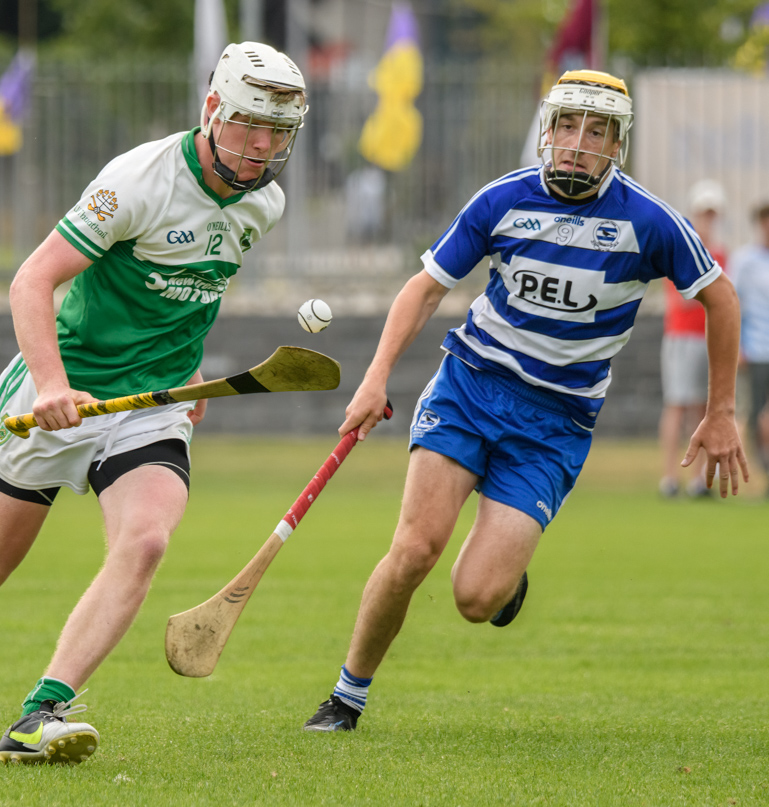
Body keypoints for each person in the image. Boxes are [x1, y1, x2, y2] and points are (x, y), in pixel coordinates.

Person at [0, 41, 308, 764]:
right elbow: (32, 280)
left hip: (151, 406)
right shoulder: (138, 180)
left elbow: (192, 293)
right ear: (212, 110)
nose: (261, 147)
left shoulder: (262, 203)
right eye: (248, 126)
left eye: (277, 133)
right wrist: (53, 385)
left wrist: (188, 378)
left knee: (145, 539)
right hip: (63, 384)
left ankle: (41, 711)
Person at [302, 70, 748, 733]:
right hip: (469, 389)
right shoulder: (501, 200)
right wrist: (375, 378)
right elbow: (424, 287)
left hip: (554, 424)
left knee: (475, 598)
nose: (576, 143)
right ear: (547, 130)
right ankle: (346, 696)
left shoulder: (649, 222)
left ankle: (506, 578)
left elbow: (719, 299)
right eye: (566, 125)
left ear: (616, 145)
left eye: (595, 131)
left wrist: (719, 412)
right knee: (415, 549)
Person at [657, 180, 729, 498]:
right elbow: (681, 299)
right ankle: (670, 477)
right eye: (703, 213)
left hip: (707, 338)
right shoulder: (681, 248)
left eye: (712, 214)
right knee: (676, 405)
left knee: (702, 409)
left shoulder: (720, 254)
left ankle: (700, 479)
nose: (707, 219)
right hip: (681, 336)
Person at [729, 202, 769, 491]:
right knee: (755, 416)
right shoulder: (744, 260)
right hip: (756, 351)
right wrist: (737, 347)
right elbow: (730, 305)